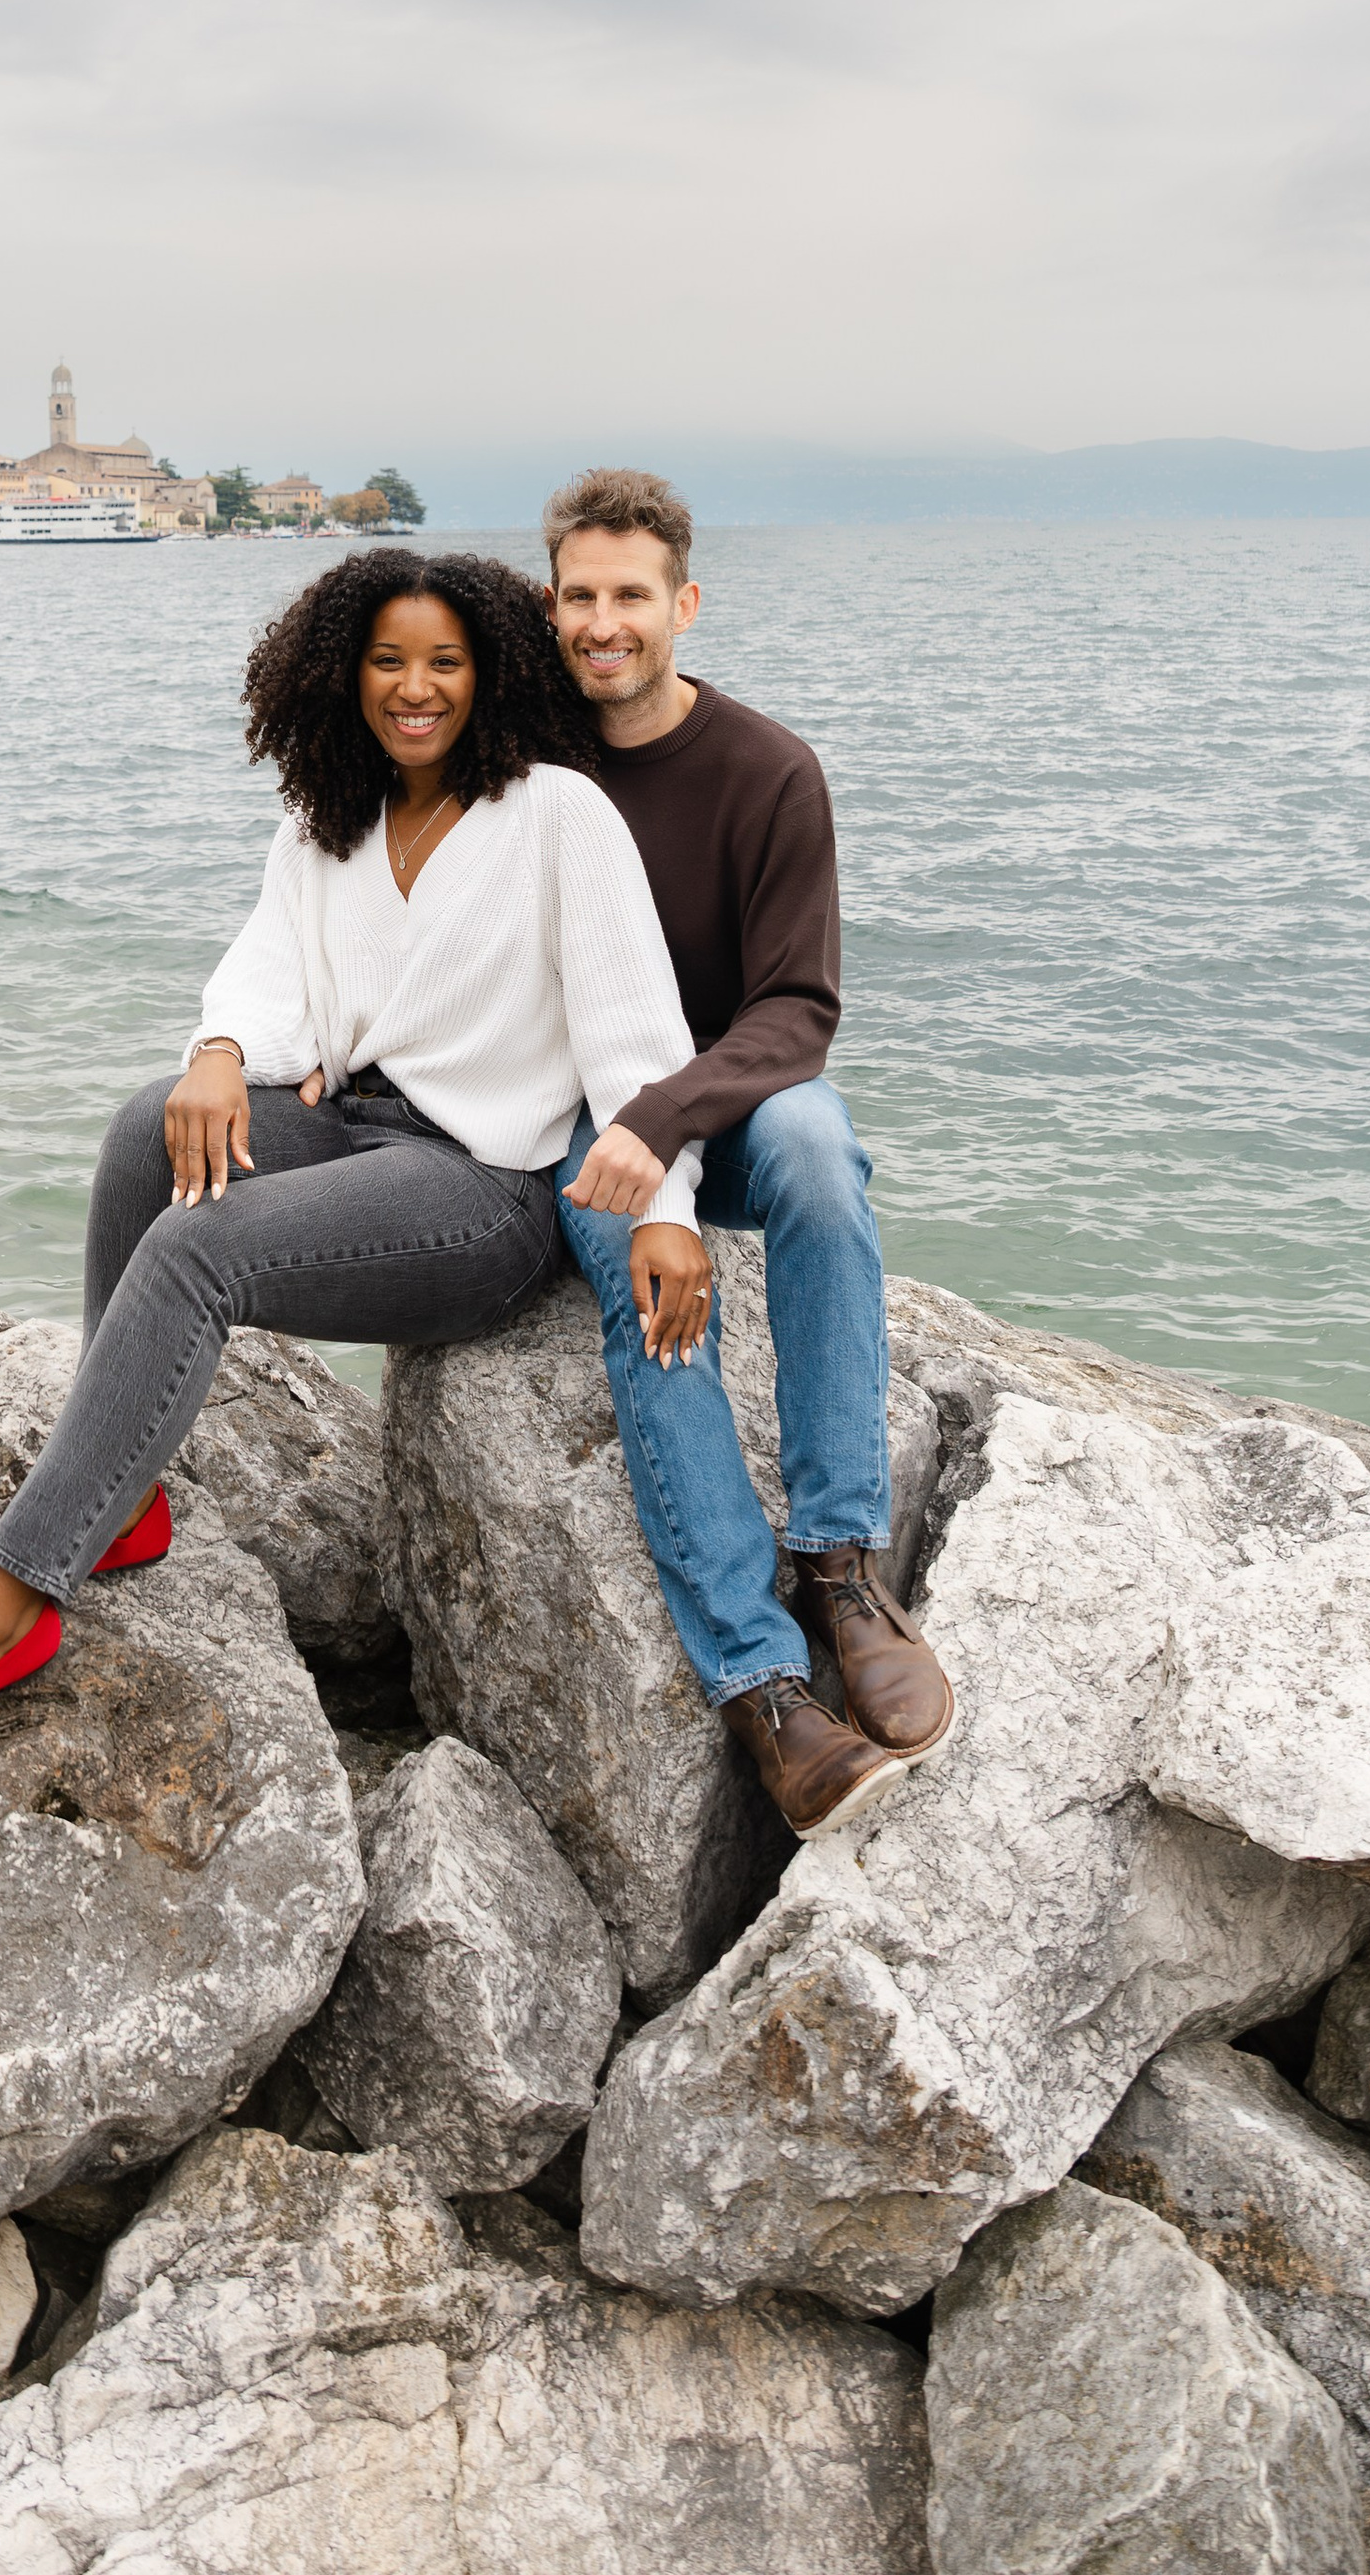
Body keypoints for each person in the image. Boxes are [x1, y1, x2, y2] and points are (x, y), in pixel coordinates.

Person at [0, 546, 709, 1763]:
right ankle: (121, 1500)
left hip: (482, 1191)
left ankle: (4, 1605)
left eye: (444, 662)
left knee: (201, 1249)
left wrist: (667, 1210)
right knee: (149, 1130)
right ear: (343, 674)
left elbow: (637, 1040)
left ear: (490, 673)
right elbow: (268, 976)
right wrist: (223, 1051)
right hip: (352, 1125)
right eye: (386, 661)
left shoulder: (558, 813)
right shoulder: (326, 816)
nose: (414, 688)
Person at [543, 463, 955, 1836]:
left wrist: (669, 1116)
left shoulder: (769, 771)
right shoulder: (532, 771)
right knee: (643, 1276)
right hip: (582, 1120)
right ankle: (759, 1678)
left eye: (631, 595)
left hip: (724, 1103)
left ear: (685, 605)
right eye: (579, 596)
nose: (604, 622)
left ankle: (837, 1564)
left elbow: (798, 1013)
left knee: (821, 1151)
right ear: (551, 607)